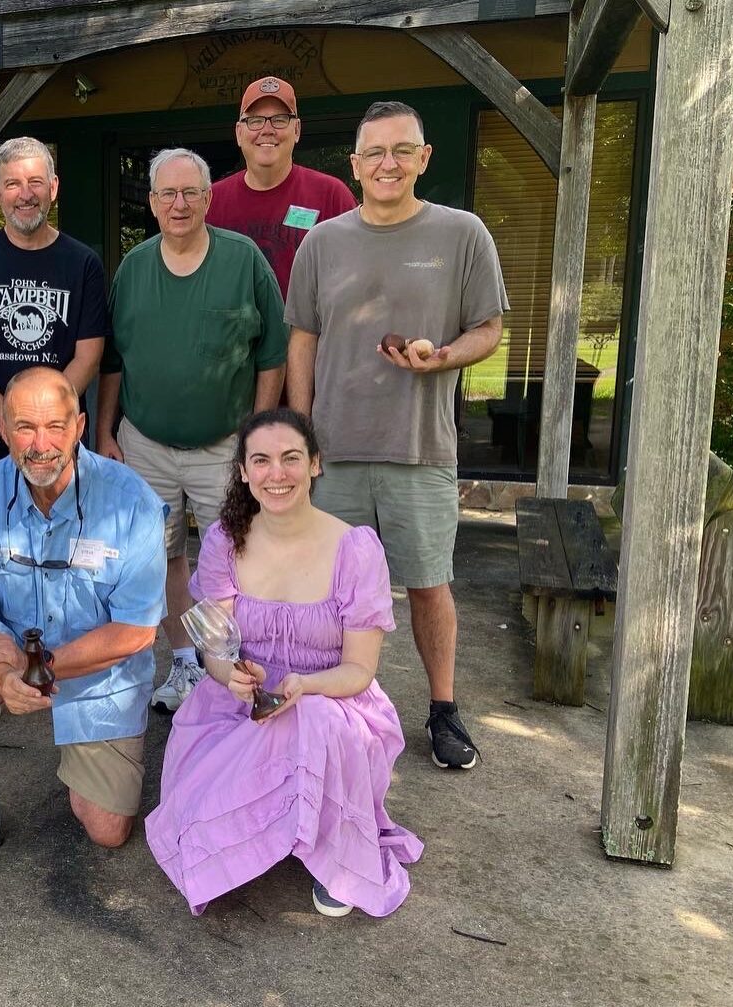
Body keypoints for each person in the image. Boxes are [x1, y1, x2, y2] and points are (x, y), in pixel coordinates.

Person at [286, 100, 509, 770]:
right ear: (354, 165)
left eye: (401, 150)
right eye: (374, 153)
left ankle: (443, 709)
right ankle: (337, 709)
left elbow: (489, 328)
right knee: (327, 593)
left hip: (421, 447)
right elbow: (303, 340)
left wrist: (440, 356)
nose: (388, 163)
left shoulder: (463, 234)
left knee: (428, 583)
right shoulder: (322, 242)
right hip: (337, 449)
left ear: (423, 158)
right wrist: (301, 435)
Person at [145, 409, 422, 918]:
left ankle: (338, 860)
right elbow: (216, 648)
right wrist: (230, 676)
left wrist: (307, 685)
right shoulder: (223, 542)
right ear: (245, 472)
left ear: (314, 464)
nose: (278, 474)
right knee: (203, 826)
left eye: (291, 458)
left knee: (311, 716)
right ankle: (260, 831)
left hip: (335, 701)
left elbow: (359, 670)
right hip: (240, 705)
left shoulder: (356, 549)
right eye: (262, 461)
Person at [0, 368, 165, 886]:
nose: (41, 444)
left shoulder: (132, 501)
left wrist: (41, 669)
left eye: (55, 426)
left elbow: (137, 631)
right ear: (3, 431)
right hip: (9, 650)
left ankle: (85, 747)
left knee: (107, 830)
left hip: (97, 670)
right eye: (25, 428)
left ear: (79, 426)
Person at [99, 147, 287, 714]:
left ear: (208, 198)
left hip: (223, 448)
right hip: (146, 446)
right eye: (167, 194)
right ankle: (184, 665)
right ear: (152, 203)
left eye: (190, 193)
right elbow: (114, 360)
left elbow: (272, 355)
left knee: (240, 557)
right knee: (163, 557)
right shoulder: (133, 267)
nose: (179, 204)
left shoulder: (242, 259)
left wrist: (256, 439)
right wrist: (106, 434)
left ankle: (248, 671)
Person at [0, 137, 109, 478]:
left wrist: (46, 425)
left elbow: (89, 357)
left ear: (53, 187)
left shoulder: (83, 264)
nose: (25, 194)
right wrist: (7, 416)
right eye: (13, 184)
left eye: (35, 182)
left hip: (61, 448)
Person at [206, 76, 357, 298]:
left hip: (311, 332)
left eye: (279, 119)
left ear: (296, 130)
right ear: (239, 132)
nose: (267, 130)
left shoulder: (332, 196)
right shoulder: (210, 201)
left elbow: (358, 281)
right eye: (255, 120)